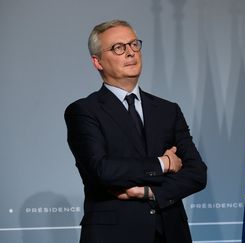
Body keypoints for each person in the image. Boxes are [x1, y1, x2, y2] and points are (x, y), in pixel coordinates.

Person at [64, 19, 207, 243]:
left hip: (171, 232)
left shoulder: (168, 110)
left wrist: (149, 193)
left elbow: (197, 173)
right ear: (97, 61)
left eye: (134, 45)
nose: (130, 53)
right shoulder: (83, 111)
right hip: (114, 235)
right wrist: (163, 163)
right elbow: (102, 170)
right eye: (118, 48)